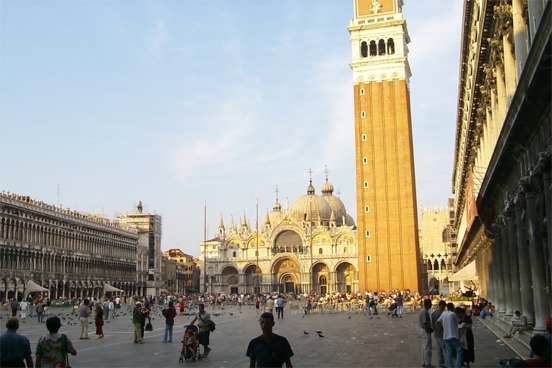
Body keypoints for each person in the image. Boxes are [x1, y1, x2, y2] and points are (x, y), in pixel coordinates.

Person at [436, 303, 464, 368]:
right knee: (459, 349)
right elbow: (459, 321)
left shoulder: (443, 314)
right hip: (453, 335)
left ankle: (450, 366)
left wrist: (441, 330)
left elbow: (437, 323)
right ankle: (458, 365)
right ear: (452, 307)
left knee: (449, 352)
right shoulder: (453, 314)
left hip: (445, 336)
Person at [431, 300, 447, 368]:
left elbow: (432, 323)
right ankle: (448, 363)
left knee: (439, 350)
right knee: (445, 350)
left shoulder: (433, 313)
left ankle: (441, 365)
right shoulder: (441, 313)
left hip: (436, 333)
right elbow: (439, 324)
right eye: (444, 306)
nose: (444, 308)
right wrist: (442, 331)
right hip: (440, 333)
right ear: (441, 306)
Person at [419, 298, 434, 368]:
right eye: (430, 304)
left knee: (424, 346)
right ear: (428, 304)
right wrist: (428, 329)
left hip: (423, 330)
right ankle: (428, 363)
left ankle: (424, 362)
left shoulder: (423, 311)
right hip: (425, 330)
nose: (431, 305)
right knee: (427, 347)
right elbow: (425, 323)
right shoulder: (424, 312)